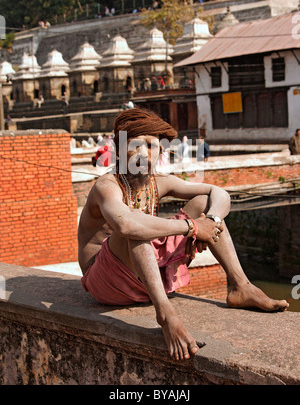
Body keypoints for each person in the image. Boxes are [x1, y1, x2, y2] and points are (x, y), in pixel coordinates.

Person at [78, 108, 288, 361]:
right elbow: (126, 226)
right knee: (137, 225)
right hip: (106, 282)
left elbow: (219, 194)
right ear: (119, 148)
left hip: (145, 274)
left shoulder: (159, 181)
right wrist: (192, 228)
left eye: (152, 147)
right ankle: (166, 315)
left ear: (161, 151)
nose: (144, 155)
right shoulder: (107, 185)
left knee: (201, 202)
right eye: (136, 146)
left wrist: (210, 222)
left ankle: (241, 286)